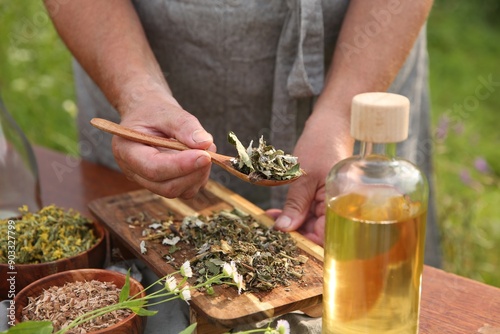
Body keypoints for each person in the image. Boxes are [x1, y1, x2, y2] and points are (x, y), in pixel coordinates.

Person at [44, 0, 440, 332]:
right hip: (140, 54)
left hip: (365, 63)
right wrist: (137, 94)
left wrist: (340, 117)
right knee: (150, 284)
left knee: (382, 272)